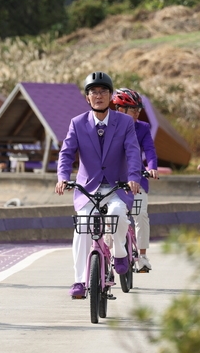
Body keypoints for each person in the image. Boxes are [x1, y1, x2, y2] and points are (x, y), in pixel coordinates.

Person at [55, 71, 142, 298]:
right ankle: (79, 281)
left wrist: (134, 177)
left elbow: (133, 151)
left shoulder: (124, 122)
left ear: (111, 96)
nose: (98, 95)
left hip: (117, 186)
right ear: (87, 98)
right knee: (82, 228)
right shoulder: (77, 123)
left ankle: (121, 252)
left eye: (103, 91)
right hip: (88, 188)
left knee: (118, 215)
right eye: (93, 92)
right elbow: (66, 153)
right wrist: (62, 177)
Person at [112, 88, 158, 272]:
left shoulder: (142, 128)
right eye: (133, 109)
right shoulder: (108, 127)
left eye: (139, 110)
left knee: (141, 214)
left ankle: (142, 256)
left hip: (136, 179)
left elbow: (150, 151)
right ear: (120, 110)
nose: (138, 113)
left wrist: (152, 167)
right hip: (113, 181)